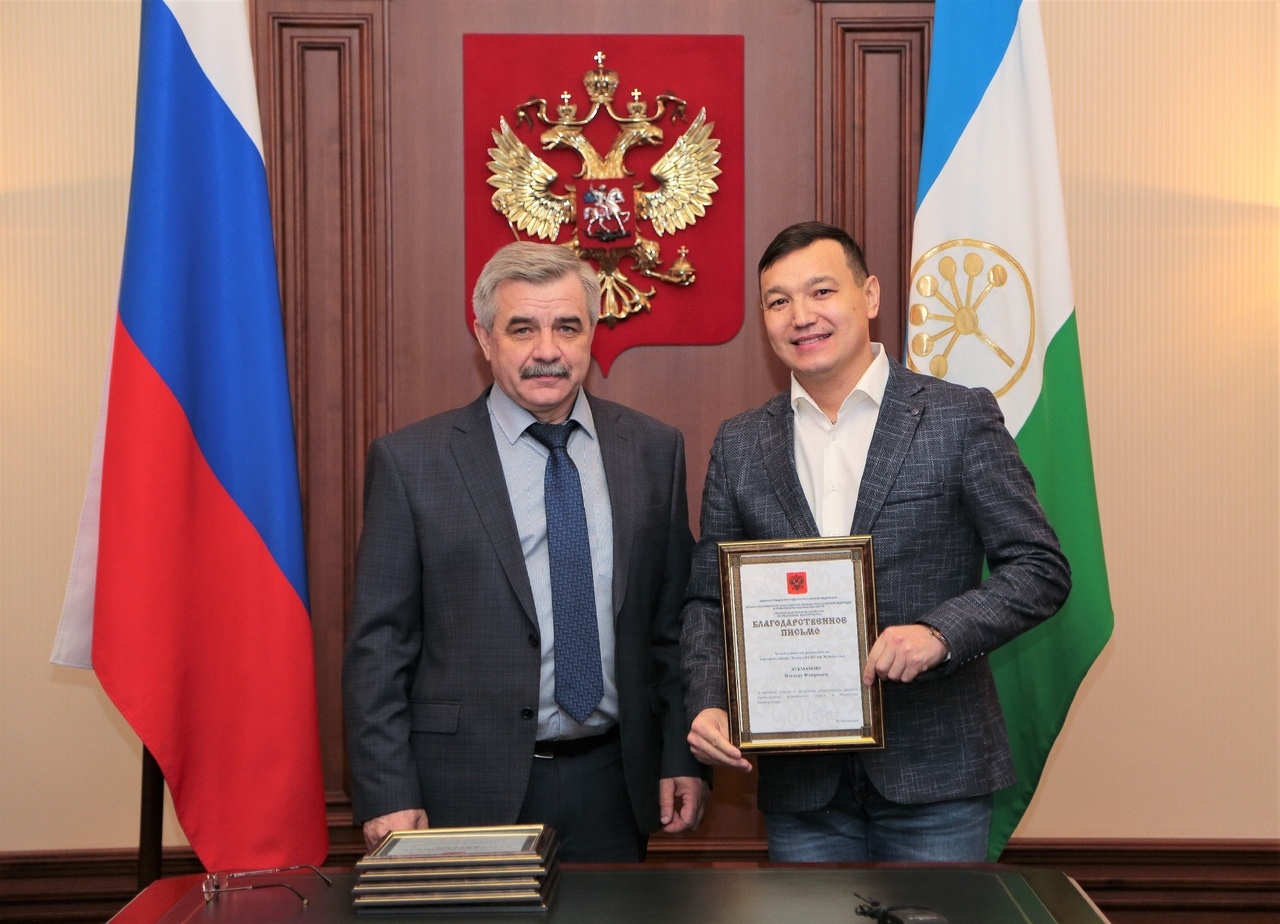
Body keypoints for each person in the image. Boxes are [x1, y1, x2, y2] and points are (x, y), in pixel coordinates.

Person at [680, 222, 1071, 863]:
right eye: (778, 301)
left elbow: (1039, 567)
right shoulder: (740, 442)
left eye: (821, 292)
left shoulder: (958, 416)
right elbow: (707, 598)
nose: (801, 316)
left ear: (869, 296)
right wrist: (707, 701)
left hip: (936, 774)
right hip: (803, 787)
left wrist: (940, 633)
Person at [343, 241, 706, 860]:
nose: (547, 350)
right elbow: (379, 646)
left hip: (615, 783)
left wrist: (680, 756)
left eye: (567, 326)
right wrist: (386, 788)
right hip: (462, 786)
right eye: (522, 329)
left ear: (591, 333)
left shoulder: (651, 449)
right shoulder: (411, 463)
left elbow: (671, 627)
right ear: (484, 339)